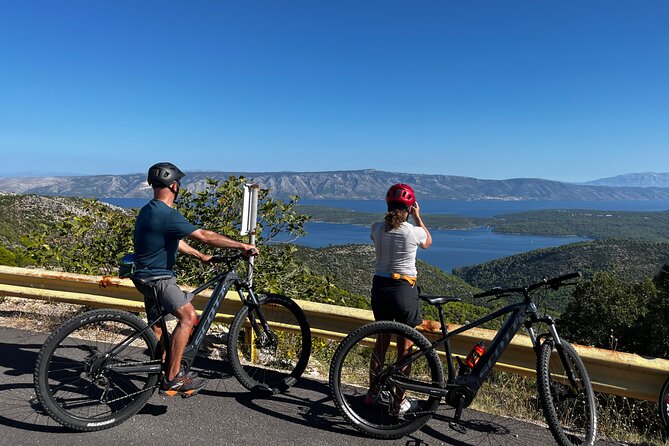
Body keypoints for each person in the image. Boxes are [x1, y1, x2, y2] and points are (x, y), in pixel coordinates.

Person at [132, 162, 257, 397]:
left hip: (142, 277)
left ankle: (161, 371)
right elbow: (205, 236)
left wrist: (200, 256)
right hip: (159, 279)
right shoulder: (166, 213)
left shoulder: (148, 210)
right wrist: (241, 245)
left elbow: (174, 240)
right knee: (188, 317)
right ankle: (172, 379)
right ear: (175, 186)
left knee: (159, 330)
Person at [365, 183, 432, 415]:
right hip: (403, 289)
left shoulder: (376, 228)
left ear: (387, 204)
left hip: (380, 287)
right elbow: (427, 242)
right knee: (405, 348)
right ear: (409, 207)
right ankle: (398, 402)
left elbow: (381, 238)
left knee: (381, 342)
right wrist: (418, 217)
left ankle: (372, 393)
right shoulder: (412, 231)